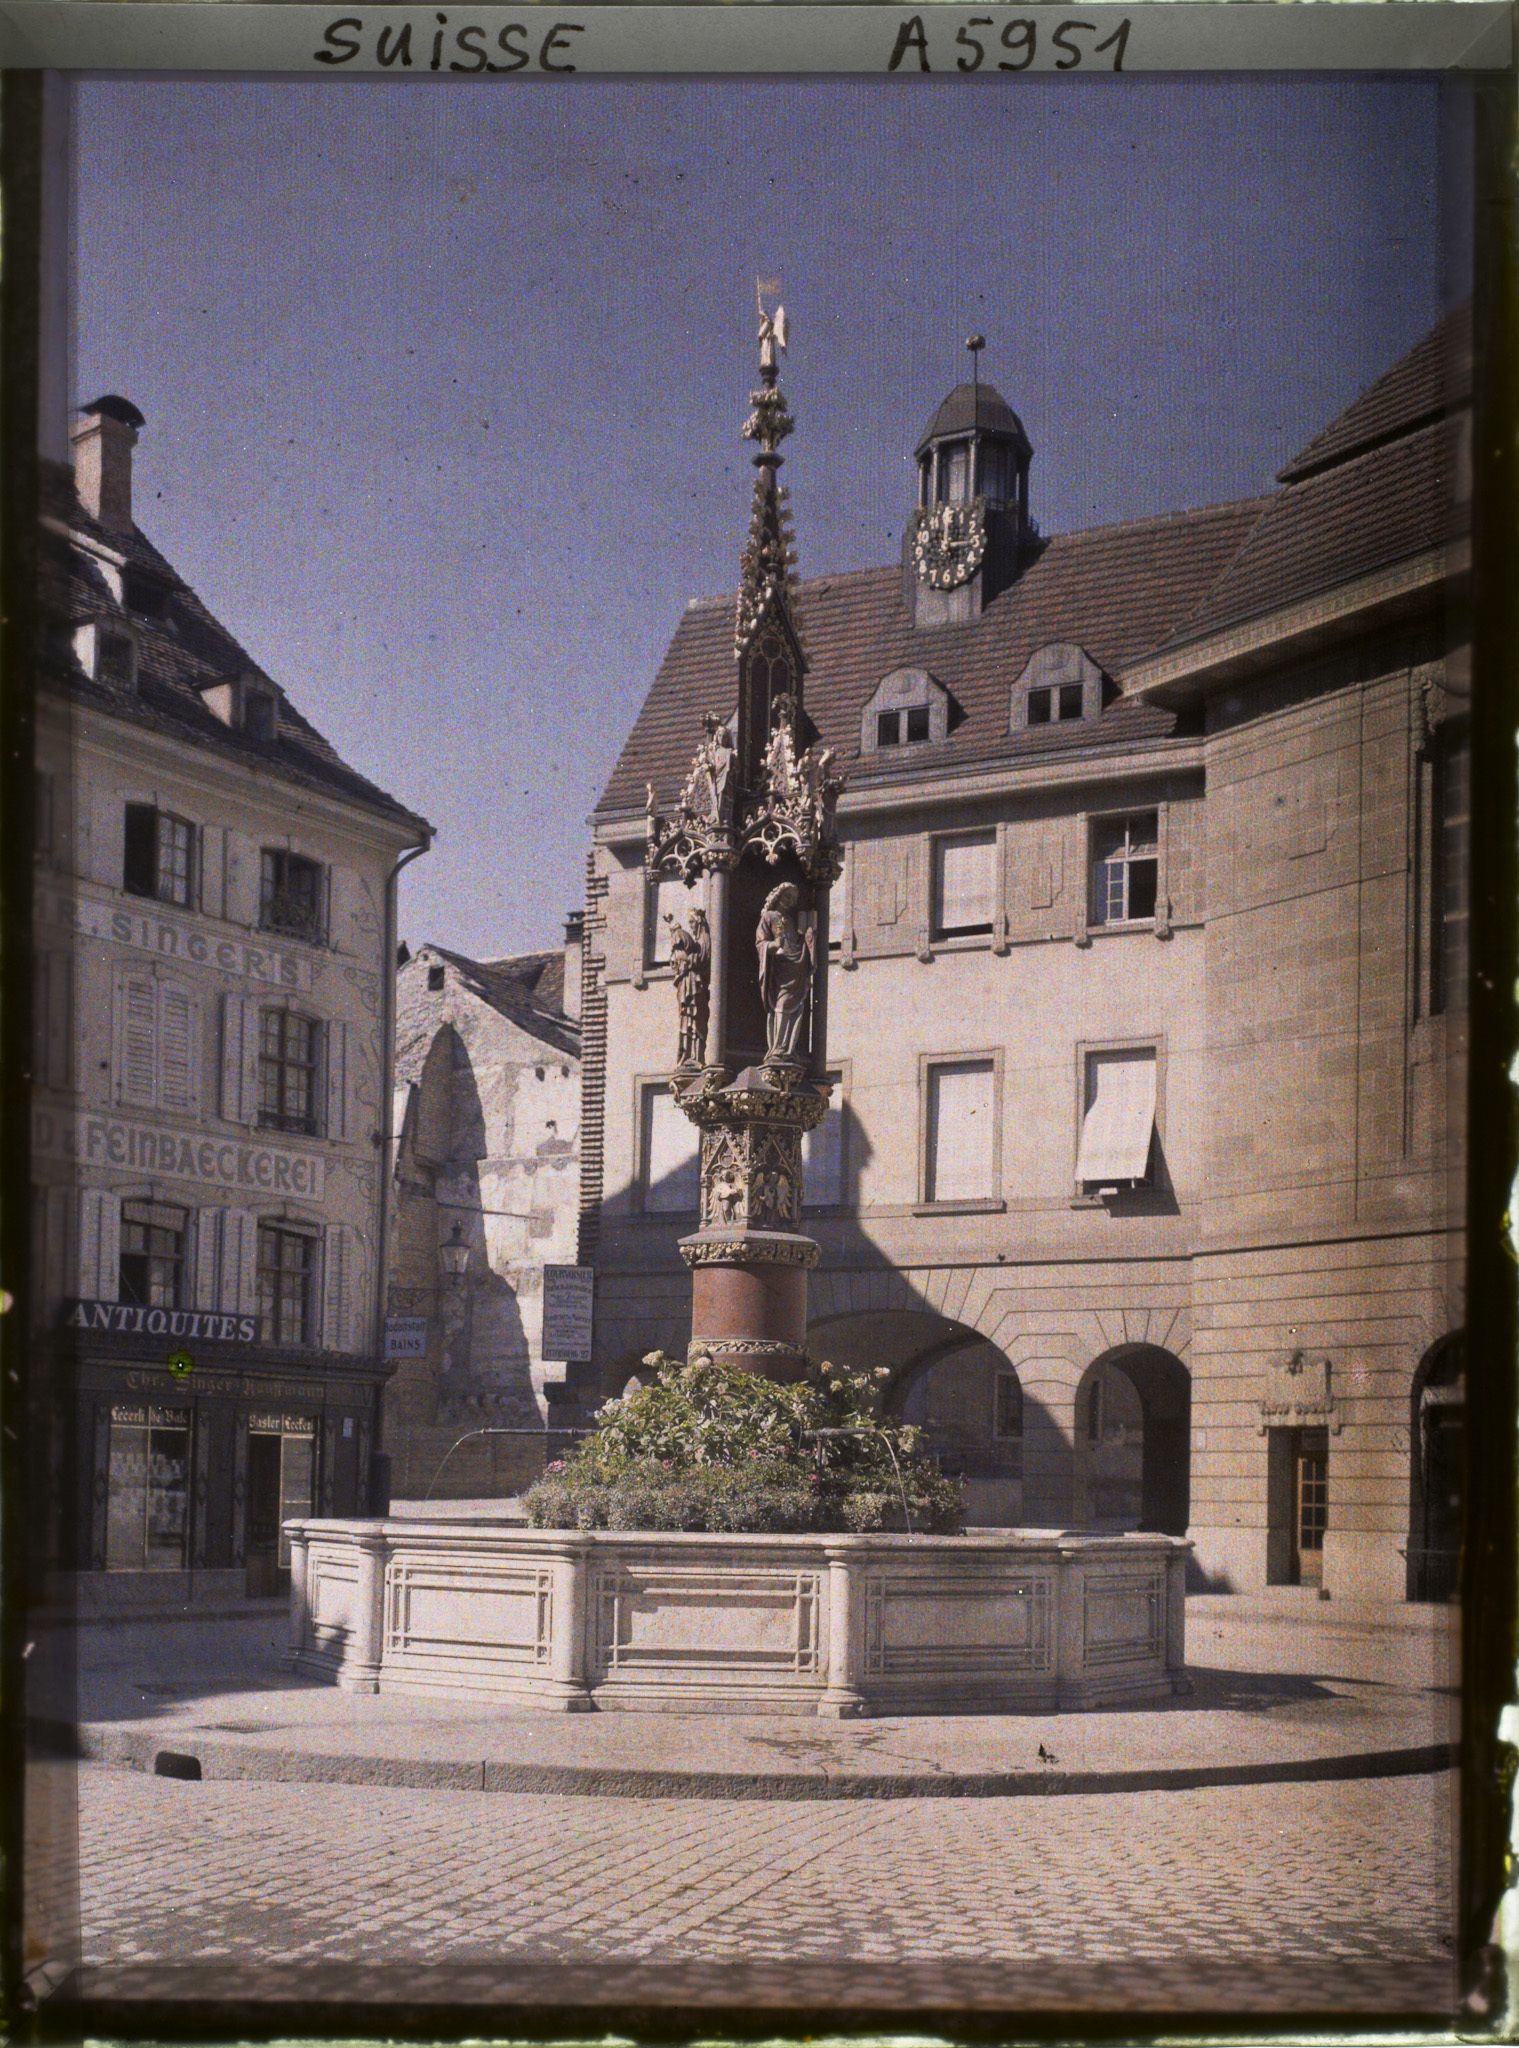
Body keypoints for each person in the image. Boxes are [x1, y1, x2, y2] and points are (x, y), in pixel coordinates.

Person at [755, 883, 813, 1059]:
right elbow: (761, 942)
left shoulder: (788, 919)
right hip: (780, 968)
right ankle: (777, 1047)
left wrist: (808, 938)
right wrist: (773, 945)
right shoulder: (770, 916)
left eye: (793, 899)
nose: (790, 901)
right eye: (787, 896)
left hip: (795, 967)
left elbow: (793, 942)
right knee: (781, 1004)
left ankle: (788, 1047)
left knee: (794, 1007)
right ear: (778, 896)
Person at [668, 906, 711, 1066]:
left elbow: (701, 959)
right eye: (689, 922)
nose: (691, 925)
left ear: (699, 922)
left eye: (692, 922)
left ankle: (696, 1056)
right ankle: (687, 1055)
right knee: (686, 1018)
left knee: (695, 1019)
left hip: (695, 985)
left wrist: (685, 959)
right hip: (686, 985)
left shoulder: (703, 940)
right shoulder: (694, 943)